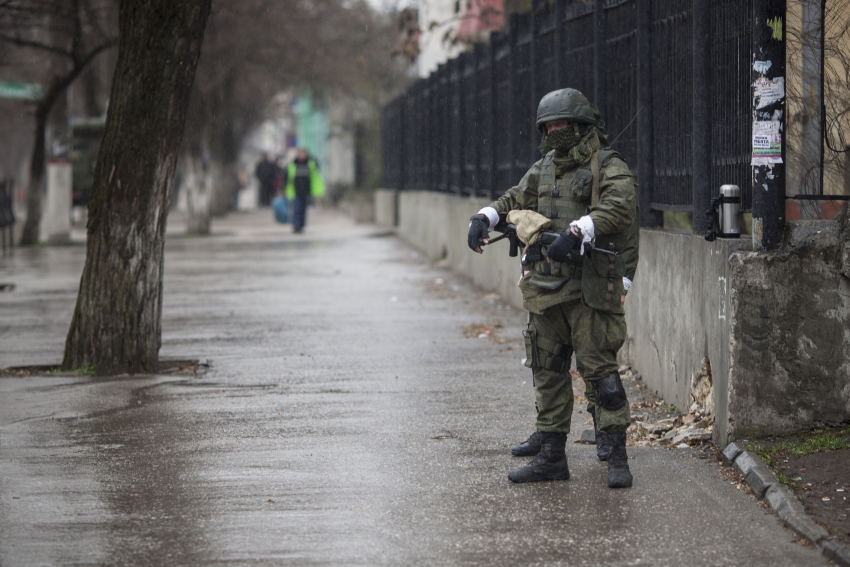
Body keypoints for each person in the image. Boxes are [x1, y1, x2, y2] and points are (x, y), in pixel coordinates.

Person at [467, 88, 640, 488]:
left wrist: (579, 230)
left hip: (590, 287)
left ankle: (616, 454)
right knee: (547, 370)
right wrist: (485, 216)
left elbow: (619, 207)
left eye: (561, 124)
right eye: (548, 126)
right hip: (546, 286)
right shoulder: (544, 167)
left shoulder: (608, 165)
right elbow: (516, 197)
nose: (554, 132)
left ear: (581, 125)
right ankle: (551, 456)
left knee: (601, 374)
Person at [285, 148, 325, 233]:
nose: (302, 156)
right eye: (301, 154)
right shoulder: (293, 164)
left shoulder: (310, 164)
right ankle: (296, 225)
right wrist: (285, 189)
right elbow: (288, 177)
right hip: (296, 190)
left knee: (303, 209)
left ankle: (301, 225)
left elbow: (315, 173)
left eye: (304, 154)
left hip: (306, 191)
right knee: (296, 208)